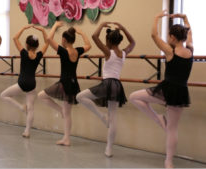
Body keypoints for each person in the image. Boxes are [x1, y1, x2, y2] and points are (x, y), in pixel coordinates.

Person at [129, 11, 193, 168]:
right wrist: (185, 19)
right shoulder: (190, 50)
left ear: (172, 38)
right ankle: (168, 161)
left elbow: (153, 35)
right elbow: (190, 32)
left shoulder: (170, 51)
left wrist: (157, 17)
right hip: (180, 92)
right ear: (184, 37)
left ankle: (157, 118)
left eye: (169, 36)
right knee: (172, 129)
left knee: (133, 97)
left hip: (166, 90)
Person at [76, 22, 135, 157]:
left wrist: (102, 24)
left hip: (107, 83)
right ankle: (109, 149)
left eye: (106, 40)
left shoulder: (108, 52)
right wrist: (124, 28)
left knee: (80, 97)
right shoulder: (124, 53)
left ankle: (102, 117)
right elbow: (133, 42)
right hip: (117, 85)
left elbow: (94, 36)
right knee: (113, 117)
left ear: (109, 41)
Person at [38, 21, 91, 146]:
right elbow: (88, 45)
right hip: (73, 83)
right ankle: (66, 138)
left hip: (64, 83)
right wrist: (82, 33)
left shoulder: (63, 51)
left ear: (64, 40)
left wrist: (55, 25)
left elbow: (49, 39)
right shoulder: (77, 51)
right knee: (67, 114)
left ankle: (60, 111)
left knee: (41, 95)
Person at [0, 25, 49, 138]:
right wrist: (43, 31)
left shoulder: (23, 53)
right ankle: (27, 131)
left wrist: (23, 28)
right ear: (37, 46)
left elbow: (15, 38)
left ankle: (21, 107)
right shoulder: (38, 55)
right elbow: (47, 42)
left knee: (3, 95)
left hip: (22, 83)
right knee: (31, 108)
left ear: (26, 44)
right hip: (32, 84)